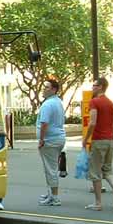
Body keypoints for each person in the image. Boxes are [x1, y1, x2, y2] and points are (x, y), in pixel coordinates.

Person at [82, 77, 113, 211]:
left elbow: (92, 122)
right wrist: (110, 135)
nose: (92, 88)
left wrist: (86, 138)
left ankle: (98, 203)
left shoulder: (95, 102)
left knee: (95, 172)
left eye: (94, 85)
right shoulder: (111, 103)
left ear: (100, 87)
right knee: (107, 169)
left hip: (98, 140)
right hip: (109, 140)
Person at [36, 78, 65, 206]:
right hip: (57, 138)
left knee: (50, 169)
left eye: (47, 87)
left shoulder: (47, 104)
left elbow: (44, 123)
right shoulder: (58, 101)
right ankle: (50, 193)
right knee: (50, 168)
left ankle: (55, 197)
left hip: (50, 140)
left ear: (54, 89)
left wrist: (41, 139)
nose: (44, 89)